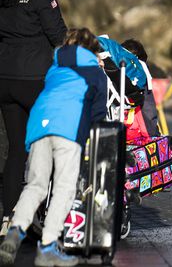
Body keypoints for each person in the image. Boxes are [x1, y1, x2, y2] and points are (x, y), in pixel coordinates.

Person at [0, 28, 107, 267]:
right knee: (63, 187)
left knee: (36, 184)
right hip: (67, 128)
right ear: (91, 49)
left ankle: (15, 232)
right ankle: (47, 247)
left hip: (39, 124)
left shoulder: (55, 68)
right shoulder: (94, 71)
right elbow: (99, 113)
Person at [0, 0, 67, 235]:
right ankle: (46, 216)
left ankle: (7, 218)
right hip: (34, 80)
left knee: (16, 149)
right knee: (47, 147)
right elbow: (58, 36)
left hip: (4, 79)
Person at [122, 38, 160, 138]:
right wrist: (152, 132)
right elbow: (148, 109)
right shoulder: (141, 71)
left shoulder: (111, 68)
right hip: (134, 131)